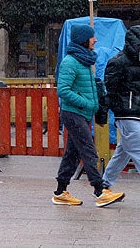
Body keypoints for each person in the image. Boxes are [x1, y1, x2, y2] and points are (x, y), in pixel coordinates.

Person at [52, 21, 125, 207]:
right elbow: (63, 90)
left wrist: (95, 107)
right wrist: (86, 103)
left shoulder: (84, 61)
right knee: (89, 151)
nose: (95, 39)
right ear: (83, 40)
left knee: (72, 153)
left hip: (82, 114)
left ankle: (60, 192)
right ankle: (99, 191)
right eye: (92, 37)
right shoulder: (70, 62)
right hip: (73, 113)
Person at [102, 25, 140, 192]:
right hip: (126, 114)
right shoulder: (118, 62)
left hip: (134, 114)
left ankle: (104, 185)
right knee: (138, 151)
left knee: (122, 153)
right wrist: (102, 111)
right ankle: (103, 185)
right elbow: (108, 90)